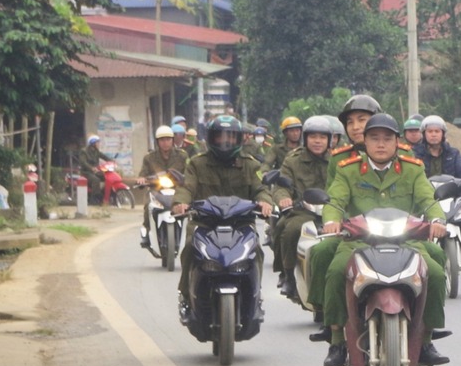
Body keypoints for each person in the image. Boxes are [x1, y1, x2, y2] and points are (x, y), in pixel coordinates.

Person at [313, 113, 448, 366]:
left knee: (437, 273)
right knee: (336, 270)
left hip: (407, 241)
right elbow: (335, 202)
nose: (381, 144)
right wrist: (332, 220)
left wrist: (438, 220)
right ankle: (337, 339)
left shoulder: (413, 168)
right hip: (358, 242)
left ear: (397, 142)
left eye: (387, 139)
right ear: (364, 141)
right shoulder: (348, 170)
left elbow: (428, 200)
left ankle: (427, 339)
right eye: (375, 138)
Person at [171, 115, 274, 324]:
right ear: (211, 139)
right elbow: (186, 188)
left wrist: (265, 202)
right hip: (205, 223)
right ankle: (186, 295)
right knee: (190, 249)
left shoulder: (250, 165)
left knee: (257, 253)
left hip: (241, 224)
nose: (225, 142)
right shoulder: (197, 164)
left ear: (238, 140)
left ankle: (255, 295)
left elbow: (260, 188)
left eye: (230, 137)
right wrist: (180, 203)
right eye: (219, 137)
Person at [271, 116, 337, 293]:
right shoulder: (292, 160)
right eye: (313, 137)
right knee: (289, 229)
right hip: (303, 211)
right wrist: (283, 198)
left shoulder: (337, 161)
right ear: (305, 138)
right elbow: (280, 186)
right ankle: (288, 275)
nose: (317, 141)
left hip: (335, 212)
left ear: (329, 140)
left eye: (322, 137)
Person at [415, 114, 461, 267]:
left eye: (437, 131)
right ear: (424, 134)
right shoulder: (415, 154)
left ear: (443, 134)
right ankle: (416, 251)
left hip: (453, 195)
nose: (433, 134)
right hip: (427, 197)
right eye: (430, 131)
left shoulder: (453, 153)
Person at [136, 124, 185, 248]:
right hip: (156, 189)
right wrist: (142, 179)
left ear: (173, 140)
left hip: (177, 189)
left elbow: (189, 172)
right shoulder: (149, 158)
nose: (165, 143)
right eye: (162, 140)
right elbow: (143, 173)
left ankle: (191, 233)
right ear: (157, 142)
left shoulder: (182, 156)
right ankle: (146, 232)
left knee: (190, 207)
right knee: (148, 205)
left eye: (168, 139)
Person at [333, 93, 380, 171]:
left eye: (361, 120)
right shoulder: (339, 158)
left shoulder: (399, 154)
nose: (355, 127)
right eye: (350, 122)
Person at [73, 134, 107, 204]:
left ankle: (104, 195)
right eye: (97, 142)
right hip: (86, 172)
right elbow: (84, 163)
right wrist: (91, 168)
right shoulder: (84, 151)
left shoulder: (96, 151)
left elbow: (103, 156)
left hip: (95, 171)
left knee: (106, 177)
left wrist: (111, 160)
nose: (98, 144)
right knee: (96, 180)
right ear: (93, 143)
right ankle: (94, 199)